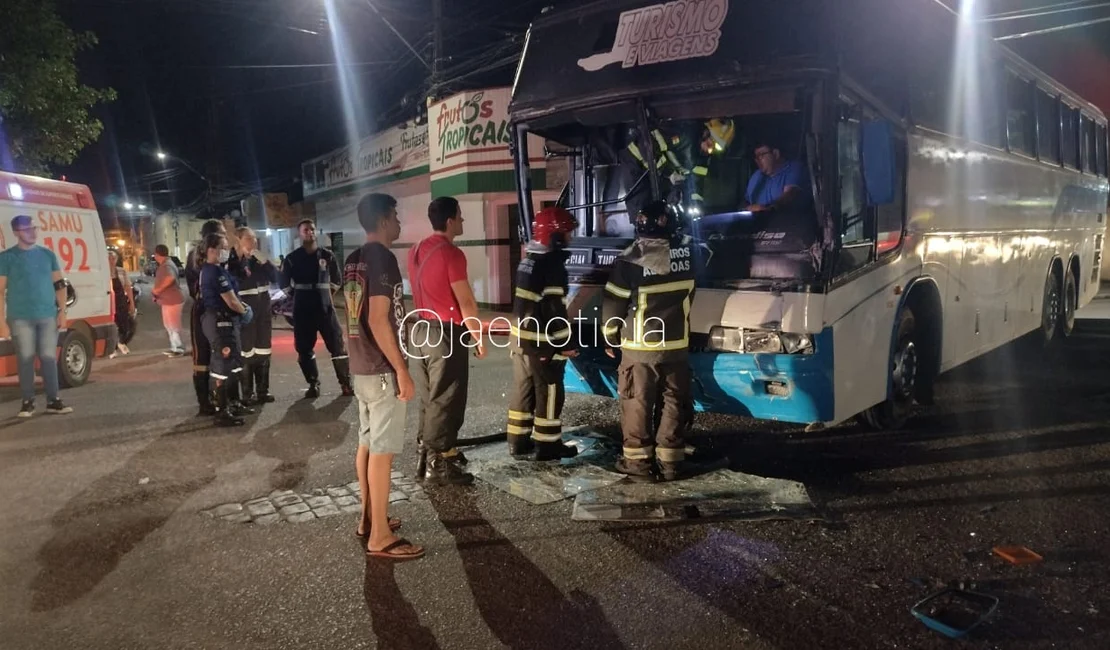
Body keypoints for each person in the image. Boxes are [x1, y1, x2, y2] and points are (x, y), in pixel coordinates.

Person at [342, 192, 423, 561]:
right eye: (396, 215)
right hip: (381, 368)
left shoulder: (353, 259)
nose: (399, 222)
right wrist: (402, 371)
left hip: (360, 365)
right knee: (382, 452)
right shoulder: (383, 258)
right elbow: (378, 318)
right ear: (384, 219)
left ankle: (369, 518)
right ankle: (380, 536)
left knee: (367, 443)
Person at [601, 200, 696, 482]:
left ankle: (638, 464)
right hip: (677, 344)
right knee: (673, 402)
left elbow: (613, 304)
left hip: (640, 348)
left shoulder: (630, 259)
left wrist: (610, 336)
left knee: (637, 402)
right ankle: (671, 463)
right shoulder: (690, 253)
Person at [407, 197, 485, 486]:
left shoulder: (415, 250)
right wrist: (477, 335)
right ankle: (438, 464)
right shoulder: (452, 253)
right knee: (448, 397)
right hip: (444, 333)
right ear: (450, 220)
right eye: (461, 217)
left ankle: (428, 452)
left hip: (419, 331)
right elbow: (465, 300)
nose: (462, 222)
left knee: (430, 397)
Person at [506, 206, 581, 461]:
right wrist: (565, 343)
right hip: (542, 343)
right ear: (556, 236)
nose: (571, 238)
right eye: (568, 234)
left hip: (521, 340)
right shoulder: (551, 266)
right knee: (549, 392)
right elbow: (554, 309)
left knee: (523, 391)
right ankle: (548, 446)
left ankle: (518, 442)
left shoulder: (528, 260)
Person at [0, 215, 74, 418]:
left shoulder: (47, 255)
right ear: (16, 232)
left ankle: (53, 400)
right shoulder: (6, 258)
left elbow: (60, 285)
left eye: (34, 228)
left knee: (49, 358)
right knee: (25, 359)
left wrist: (62, 312)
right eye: (27, 229)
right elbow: (0, 290)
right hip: (19, 316)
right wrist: (1, 322)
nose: (33, 232)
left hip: (47, 315)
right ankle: (28, 401)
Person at [281, 219, 353, 399]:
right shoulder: (292, 258)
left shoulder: (327, 256)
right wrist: (297, 298)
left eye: (312, 229)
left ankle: (345, 383)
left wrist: (325, 295)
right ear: (300, 234)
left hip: (325, 309)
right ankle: (313, 384)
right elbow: (284, 285)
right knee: (304, 348)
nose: (310, 232)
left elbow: (337, 280)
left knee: (337, 346)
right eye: (305, 230)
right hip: (303, 310)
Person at [186, 219, 243, 416]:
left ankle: (229, 400)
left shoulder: (222, 258)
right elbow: (195, 286)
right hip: (206, 309)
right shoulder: (200, 258)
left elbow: (236, 274)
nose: (225, 239)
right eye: (221, 234)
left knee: (228, 355)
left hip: (219, 308)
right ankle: (207, 402)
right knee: (203, 357)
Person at [198, 232, 252, 427]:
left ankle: (233, 402)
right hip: (220, 321)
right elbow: (230, 299)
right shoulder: (214, 271)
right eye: (223, 247)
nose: (225, 251)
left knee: (234, 362)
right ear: (212, 249)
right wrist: (244, 310)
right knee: (223, 364)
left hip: (226, 321)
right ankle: (222, 410)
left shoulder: (216, 269)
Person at [232, 227, 278, 405]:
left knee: (264, 351)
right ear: (239, 241)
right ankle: (247, 394)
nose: (254, 242)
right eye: (249, 239)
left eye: (254, 239)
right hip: (246, 314)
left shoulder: (261, 260)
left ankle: (262, 391)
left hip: (264, 313)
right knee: (246, 352)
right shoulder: (235, 262)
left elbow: (276, 277)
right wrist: (245, 262)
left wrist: (264, 261)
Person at [745, 139, 811, 212]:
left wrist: (769, 208)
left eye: (761, 155)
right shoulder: (756, 176)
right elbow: (746, 201)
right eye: (756, 157)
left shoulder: (794, 169)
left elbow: (790, 195)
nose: (757, 160)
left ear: (776, 154)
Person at [150, 244, 186, 357]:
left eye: (155, 254)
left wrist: (157, 290)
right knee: (169, 325)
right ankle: (174, 347)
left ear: (157, 254)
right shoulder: (166, 264)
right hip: (168, 300)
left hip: (172, 300)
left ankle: (178, 348)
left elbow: (170, 278)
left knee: (173, 325)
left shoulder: (166, 265)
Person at [107, 248, 135, 358]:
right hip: (109, 302)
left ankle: (121, 342)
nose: (111, 260)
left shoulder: (122, 271)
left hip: (121, 301)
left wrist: (131, 303)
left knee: (126, 325)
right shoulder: (103, 273)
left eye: (113, 258)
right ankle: (112, 349)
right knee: (113, 326)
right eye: (109, 258)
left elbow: (128, 287)